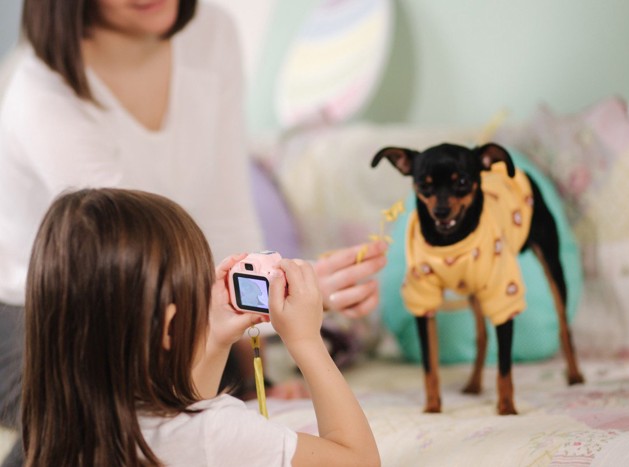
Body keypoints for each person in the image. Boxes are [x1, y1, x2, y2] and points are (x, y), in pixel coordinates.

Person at [0, 0, 386, 464]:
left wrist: (261, 289)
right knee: (102, 403)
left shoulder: (212, 34)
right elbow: (130, 254)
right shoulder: (40, 89)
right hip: (39, 305)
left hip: (142, 290)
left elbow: (224, 209)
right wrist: (301, 337)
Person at [22, 187, 381, 467]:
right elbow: (358, 460)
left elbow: (185, 412)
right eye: (196, 289)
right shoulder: (218, 433)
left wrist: (216, 339)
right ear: (169, 325)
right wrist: (305, 341)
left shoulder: (57, 427)